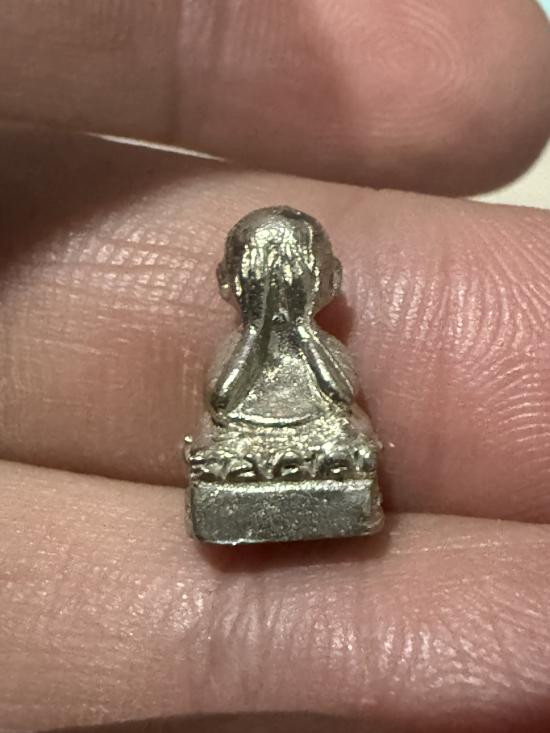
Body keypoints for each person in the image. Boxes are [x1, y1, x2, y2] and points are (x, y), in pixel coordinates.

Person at [1, 2, 550, 731]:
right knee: (224, 453)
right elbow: (226, 400)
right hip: (252, 450)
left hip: (311, 445)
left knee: (346, 445)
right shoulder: (239, 344)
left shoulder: (322, 343)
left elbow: (339, 394)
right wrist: (263, 332)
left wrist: (300, 336)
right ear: (237, 282)